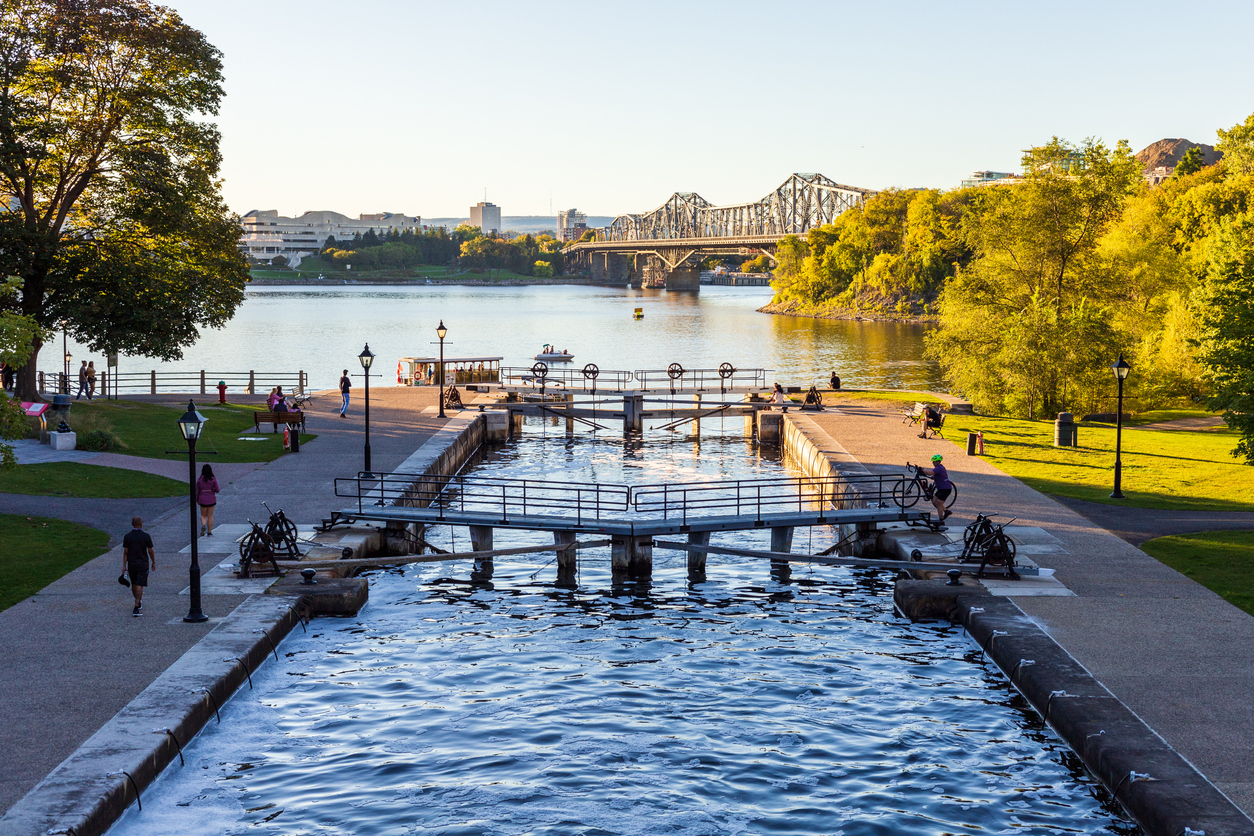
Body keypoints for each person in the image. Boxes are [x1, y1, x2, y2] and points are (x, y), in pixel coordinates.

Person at [122, 516, 156, 616]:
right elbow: (150, 551)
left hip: (132, 563)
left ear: (132, 524)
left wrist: (124, 566)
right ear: (141, 524)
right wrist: (153, 562)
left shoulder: (127, 536)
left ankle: (137, 601)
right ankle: (136, 606)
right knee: (140, 584)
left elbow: (126, 552)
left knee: (134, 583)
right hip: (143, 563)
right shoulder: (146, 536)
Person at [919, 454, 954, 522]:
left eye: (934, 462)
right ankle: (946, 511)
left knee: (938, 503)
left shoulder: (939, 468)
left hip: (945, 489)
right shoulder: (940, 468)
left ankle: (941, 520)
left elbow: (930, 472)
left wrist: (922, 469)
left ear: (938, 462)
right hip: (941, 489)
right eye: (933, 462)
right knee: (934, 501)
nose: (933, 463)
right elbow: (936, 474)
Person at [196, 464, 220, 536]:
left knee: (203, 515)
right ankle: (209, 532)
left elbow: (197, 491)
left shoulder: (199, 480)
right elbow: (218, 490)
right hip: (211, 499)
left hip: (203, 499)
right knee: (210, 516)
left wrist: (197, 500)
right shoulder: (213, 479)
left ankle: (203, 525)